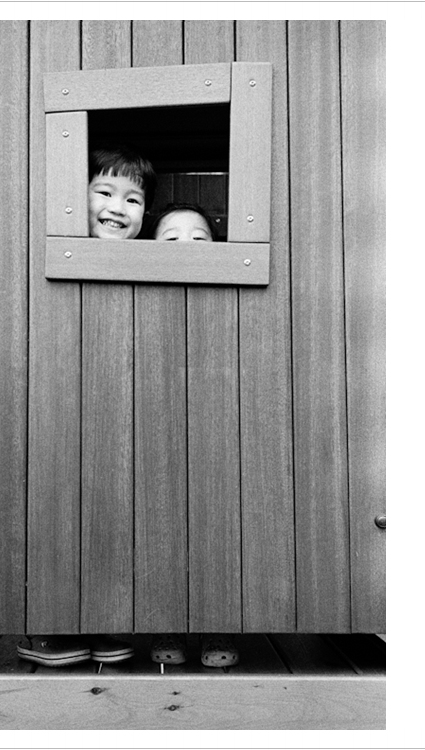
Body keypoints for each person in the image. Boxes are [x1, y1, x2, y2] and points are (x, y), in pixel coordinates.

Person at [17, 145, 156, 668]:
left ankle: (103, 618)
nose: (117, 207)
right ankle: (45, 622)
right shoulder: (51, 248)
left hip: (119, 400)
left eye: (133, 199)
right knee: (51, 505)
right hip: (55, 395)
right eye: (104, 192)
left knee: (113, 510)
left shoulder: (154, 260)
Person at [148, 202, 240, 670]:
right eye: (171, 238)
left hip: (214, 417)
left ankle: (220, 622)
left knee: (217, 523)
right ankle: (162, 622)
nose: (186, 245)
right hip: (154, 419)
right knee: (157, 523)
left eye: (199, 238)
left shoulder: (227, 294)